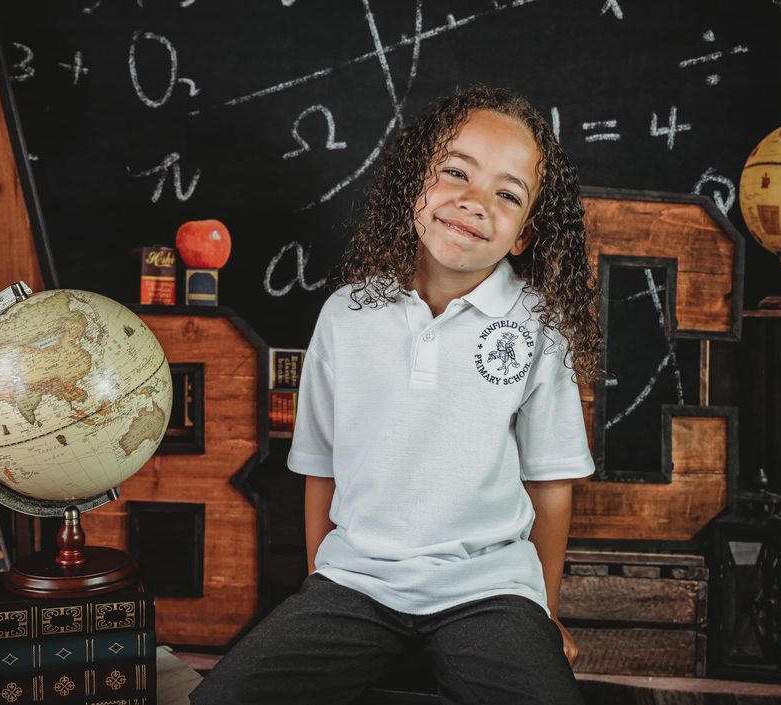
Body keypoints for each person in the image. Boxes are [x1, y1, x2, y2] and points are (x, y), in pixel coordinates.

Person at [190, 84, 601, 705]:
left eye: (507, 193)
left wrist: (543, 612)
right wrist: (318, 590)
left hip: (488, 589)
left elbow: (550, 482)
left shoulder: (539, 327)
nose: (472, 201)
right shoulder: (347, 314)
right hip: (355, 584)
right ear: (415, 183)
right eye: (455, 172)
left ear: (524, 235)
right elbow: (319, 470)